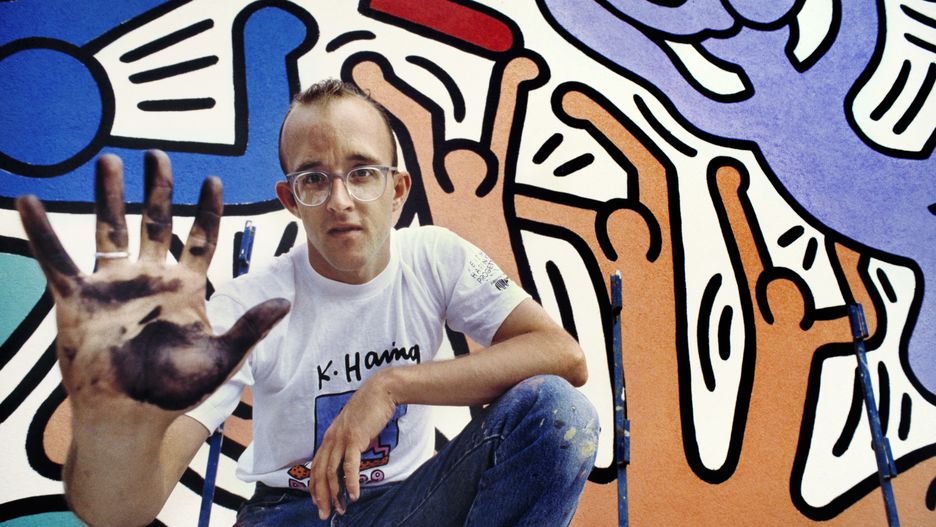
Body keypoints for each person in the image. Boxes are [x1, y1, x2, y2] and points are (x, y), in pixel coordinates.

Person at [16, 79, 598, 526]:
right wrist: (116, 426)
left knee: (557, 412)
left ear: (397, 189)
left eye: (362, 172)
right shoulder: (250, 309)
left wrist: (391, 385)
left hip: (406, 506)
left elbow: (563, 358)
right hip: (288, 513)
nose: (340, 200)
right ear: (290, 199)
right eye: (314, 180)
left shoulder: (435, 258)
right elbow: (124, 511)